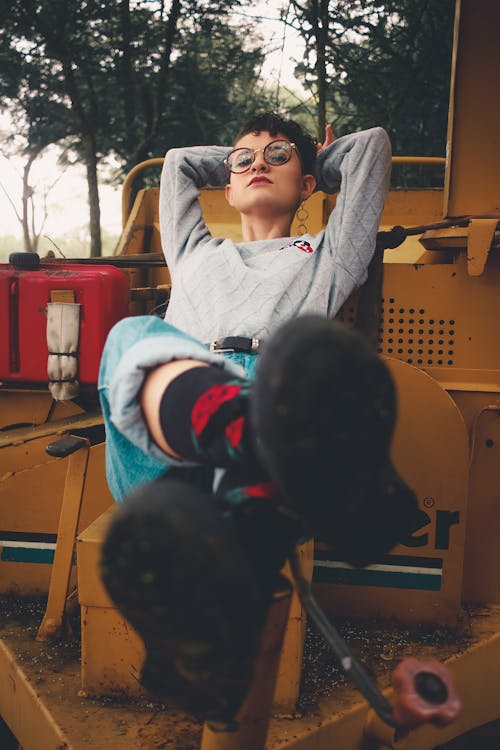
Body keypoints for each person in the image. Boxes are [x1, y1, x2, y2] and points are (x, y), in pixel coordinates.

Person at [98, 112, 420, 723]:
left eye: (276, 156)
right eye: (242, 161)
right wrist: (263, 156)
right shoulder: (195, 252)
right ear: (225, 182)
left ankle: (209, 646)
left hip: (272, 412)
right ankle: (263, 449)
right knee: (131, 335)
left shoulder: (330, 253)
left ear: (308, 187)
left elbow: (372, 147)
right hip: (190, 445)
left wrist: (308, 161)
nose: (257, 166)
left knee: (305, 360)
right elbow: (175, 165)